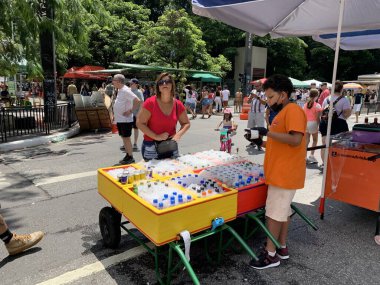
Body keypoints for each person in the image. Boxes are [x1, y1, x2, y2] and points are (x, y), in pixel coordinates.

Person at [249, 74, 307, 270]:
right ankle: (281, 248)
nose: (268, 101)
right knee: (282, 213)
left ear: (283, 95)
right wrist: (261, 142)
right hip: (281, 173)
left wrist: (267, 133)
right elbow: (280, 143)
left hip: (285, 175)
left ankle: (270, 254)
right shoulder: (284, 113)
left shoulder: (293, 111)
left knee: (274, 214)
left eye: (271, 97)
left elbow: (295, 140)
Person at [137, 72, 190, 161]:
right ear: (158, 86)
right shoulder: (150, 102)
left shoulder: (178, 104)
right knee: (152, 174)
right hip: (151, 146)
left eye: (167, 81)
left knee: (172, 173)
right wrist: (156, 136)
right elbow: (140, 123)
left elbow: (186, 123)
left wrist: (178, 135)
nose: (164, 84)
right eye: (161, 82)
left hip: (170, 145)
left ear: (172, 84)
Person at [319, 81, 351, 165]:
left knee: (324, 145)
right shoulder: (344, 100)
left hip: (325, 122)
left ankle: (324, 164)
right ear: (341, 89)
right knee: (340, 144)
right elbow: (346, 114)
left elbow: (322, 111)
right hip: (339, 123)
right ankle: (335, 163)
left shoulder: (327, 99)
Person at [112, 74, 141, 164]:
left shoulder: (125, 90)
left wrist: (130, 111)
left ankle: (130, 157)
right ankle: (128, 155)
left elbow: (137, 100)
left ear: (119, 81)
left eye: (114, 80)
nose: (113, 82)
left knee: (126, 138)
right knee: (124, 138)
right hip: (120, 119)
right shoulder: (120, 90)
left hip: (125, 119)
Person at [303, 89, 322, 164]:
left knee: (306, 140)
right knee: (315, 140)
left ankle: (304, 156)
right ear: (316, 96)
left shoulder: (305, 104)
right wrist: (318, 125)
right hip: (313, 123)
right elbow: (318, 117)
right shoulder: (317, 105)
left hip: (306, 123)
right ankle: (311, 155)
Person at [247, 82, 266, 150]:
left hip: (260, 112)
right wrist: (250, 98)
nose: (256, 87)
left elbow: (264, 102)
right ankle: (253, 142)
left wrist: (257, 97)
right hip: (252, 112)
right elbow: (248, 102)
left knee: (260, 129)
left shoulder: (264, 92)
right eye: (255, 86)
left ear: (261, 85)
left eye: (257, 86)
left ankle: (260, 144)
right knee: (252, 128)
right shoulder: (253, 91)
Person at [129, 78, 144, 151]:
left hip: (135, 113)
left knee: (135, 128)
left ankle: (135, 144)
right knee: (127, 128)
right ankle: (127, 142)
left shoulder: (139, 92)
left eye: (131, 83)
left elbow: (142, 103)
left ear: (135, 84)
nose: (130, 85)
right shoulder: (128, 91)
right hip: (129, 113)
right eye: (130, 83)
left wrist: (138, 113)